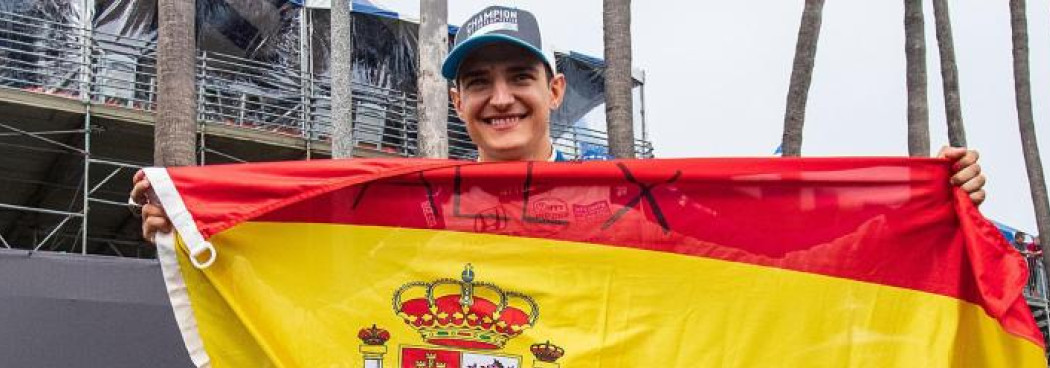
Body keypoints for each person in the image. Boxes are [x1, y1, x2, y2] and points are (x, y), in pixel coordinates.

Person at [129, 5, 988, 240]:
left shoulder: (629, 202)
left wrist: (927, 200)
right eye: (477, 84)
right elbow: (295, 237)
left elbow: (774, 253)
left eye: (516, 79)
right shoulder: (415, 205)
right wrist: (191, 210)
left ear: (550, 88)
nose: (498, 98)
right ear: (456, 102)